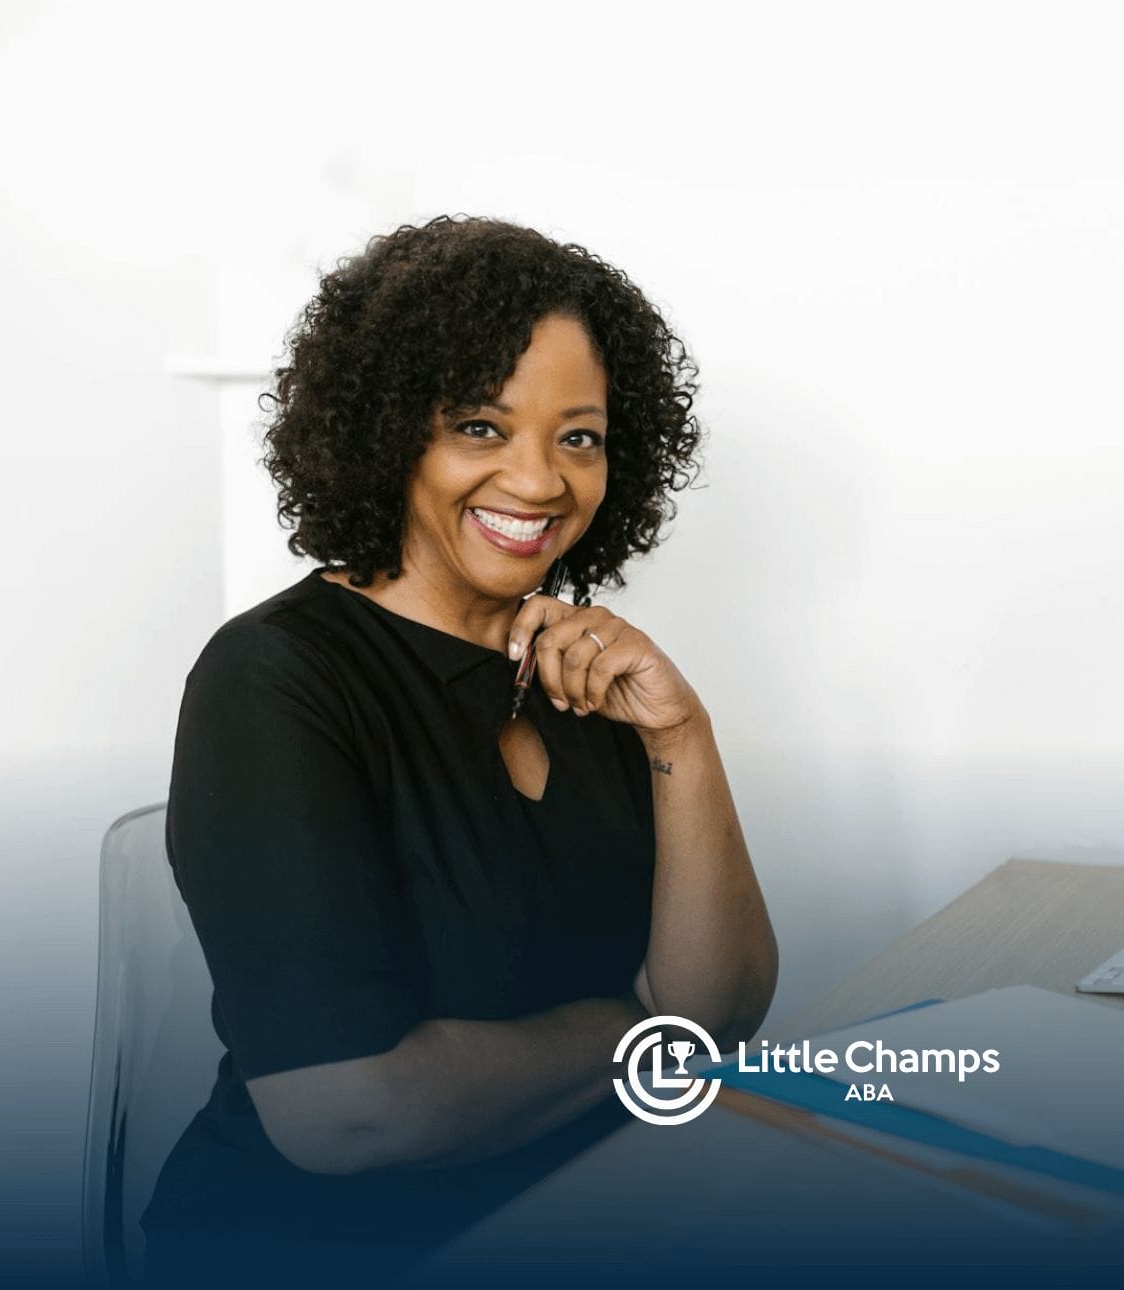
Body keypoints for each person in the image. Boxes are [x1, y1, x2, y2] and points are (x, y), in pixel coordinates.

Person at [141, 216, 777, 1284]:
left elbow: (719, 1009)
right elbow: (343, 1114)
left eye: (578, 436)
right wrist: (632, 1034)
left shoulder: (582, 668)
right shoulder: (275, 680)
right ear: (390, 434)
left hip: (591, 1214)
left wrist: (680, 732)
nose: (538, 482)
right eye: (481, 427)